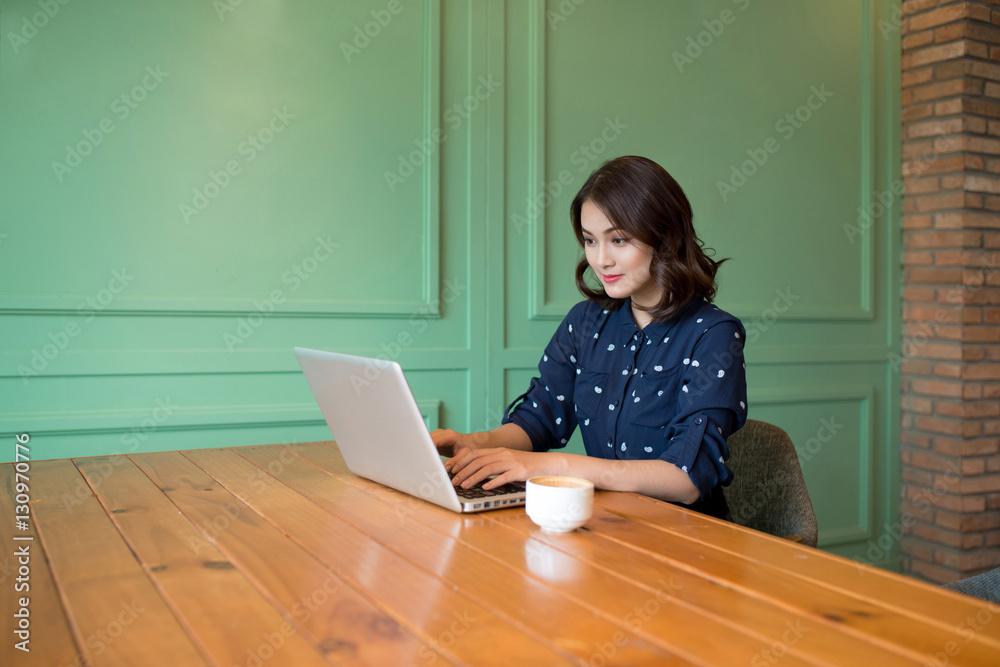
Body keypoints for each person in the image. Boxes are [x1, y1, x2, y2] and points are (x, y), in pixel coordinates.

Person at [431, 155, 747, 519]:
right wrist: (473, 443)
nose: (601, 260)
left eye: (618, 239)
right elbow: (539, 419)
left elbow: (687, 478)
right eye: (590, 241)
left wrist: (554, 468)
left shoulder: (713, 333)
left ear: (665, 236)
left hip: (686, 538)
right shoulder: (585, 322)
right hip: (608, 524)